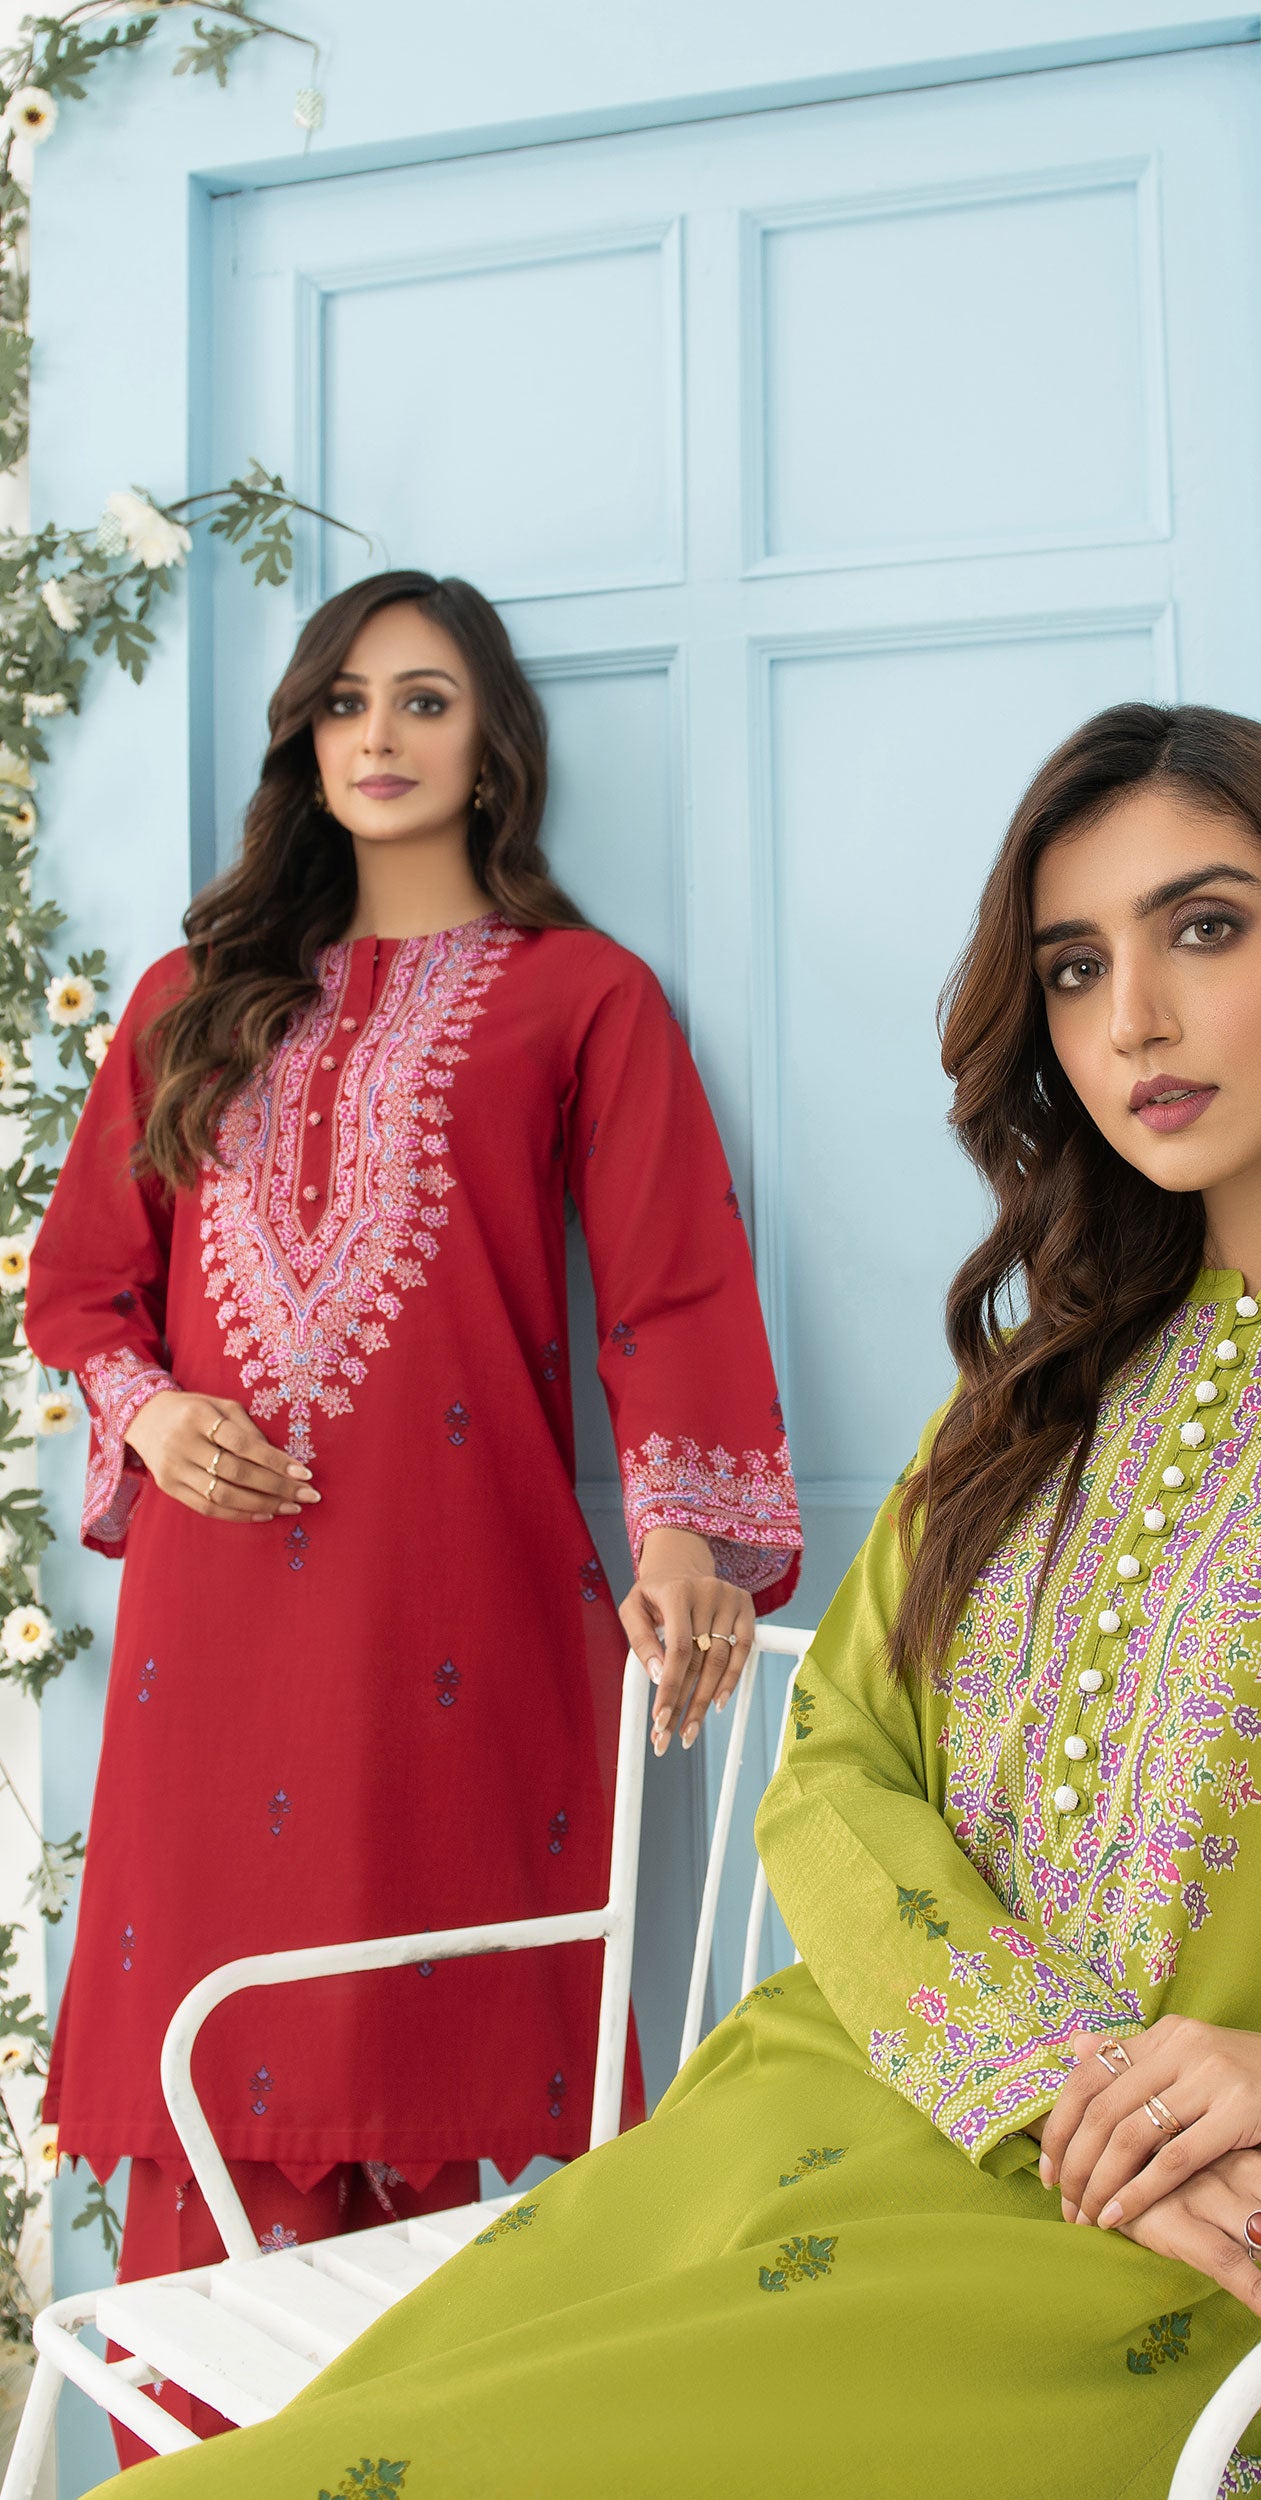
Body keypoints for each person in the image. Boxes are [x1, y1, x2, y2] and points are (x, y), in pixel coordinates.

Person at [103, 705, 1261, 2498]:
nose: (1134, 1021)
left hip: (1143, 2287)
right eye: (1076, 967)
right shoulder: (1042, 1391)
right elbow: (834, 1767)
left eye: (1204, 929)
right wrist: (1045, 2067)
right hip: (785, 2129)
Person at [27, 570, 800, 2459]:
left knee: (452, 2056)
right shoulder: (191, 1004)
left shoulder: (579, 998)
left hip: (462, 1613)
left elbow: (672, 1287)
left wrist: (682, 1540)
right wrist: (155, 1412)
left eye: (427, 699)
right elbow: (82, 1290)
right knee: (212, 2079)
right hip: (217, 1638)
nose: (379, 735)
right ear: (306, 740)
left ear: (492, 745)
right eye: (346, 701)